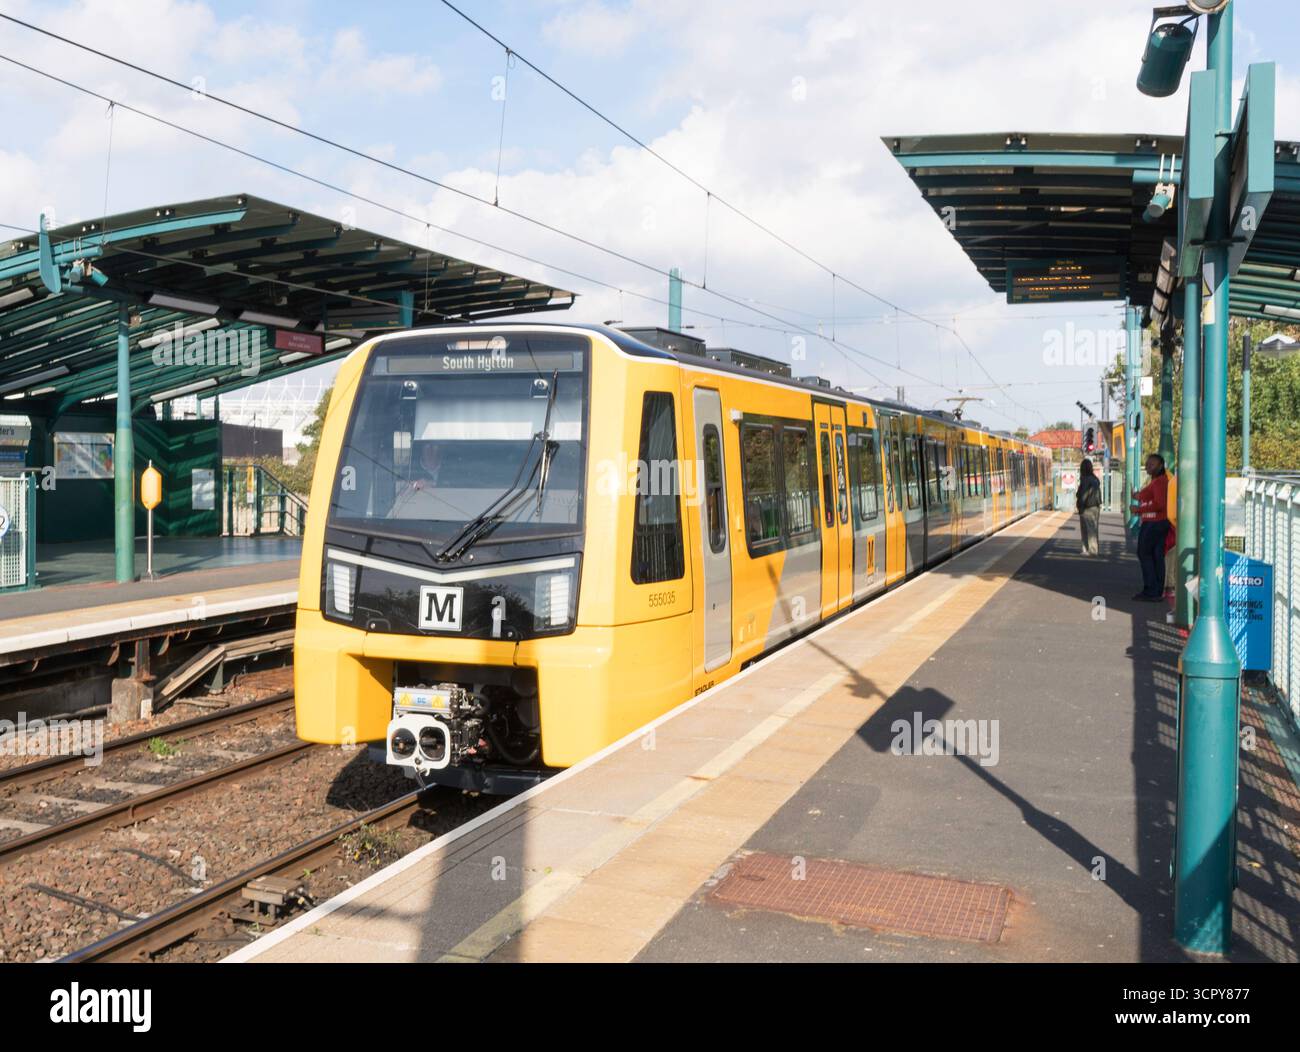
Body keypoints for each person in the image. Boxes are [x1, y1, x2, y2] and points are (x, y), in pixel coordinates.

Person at [1130, 453, 1171, 602]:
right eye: (1147, 464)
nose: (1147, 467)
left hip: (1155, 523)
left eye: (1151, 464)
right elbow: (1151, 497)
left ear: (1160, 466)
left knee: (1144, 553)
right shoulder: (1157, 481)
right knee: (1156, 555)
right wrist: (1138, 496)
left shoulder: (1160, 482)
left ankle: (1151, 590)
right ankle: (1156, 590)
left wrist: (1138, 510)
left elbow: (1159, 504)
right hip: (1158, 522)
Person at [1075, 458, 1102, 556]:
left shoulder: (1086, 479)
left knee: (1086, 529)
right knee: (1093, 529)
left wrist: (1080, 505)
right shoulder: (1094, 478)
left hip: (1087, 507)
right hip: (1095, 507)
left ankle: (1090, 550)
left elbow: (1083, 494)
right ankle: (1091, 549)